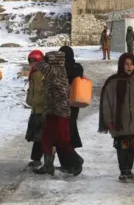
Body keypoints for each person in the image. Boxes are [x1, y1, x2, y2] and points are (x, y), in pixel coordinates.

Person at [98, 53, 134, 181]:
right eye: (126, 64)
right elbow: (106, 104)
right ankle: (123, 171)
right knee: (122, 147)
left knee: (133, 147)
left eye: (131, 64)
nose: (129, 67)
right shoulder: (113, 83)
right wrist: (109, 121)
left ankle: (128, 170)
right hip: (119, 122)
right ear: (121, 65)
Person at [32, 51, 80, 176]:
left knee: (62, 140)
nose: (45, 61)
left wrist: (38, 60)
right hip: (51, 111)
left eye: (48, 59)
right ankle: (48, 165)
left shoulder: (57, 71)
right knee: (46, 138)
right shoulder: (54, 72)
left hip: (60, 112)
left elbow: (43, 68)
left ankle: (77, 161)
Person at [58, 45, 84, 176]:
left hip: (62, 105)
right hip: (74, 104)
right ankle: (69, 164)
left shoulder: (62, 69)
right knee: (69, 132)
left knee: (61, 136)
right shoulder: (78, 68)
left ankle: (74, 161)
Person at [25, 50, 46, 167]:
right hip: (35, 108)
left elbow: (41, 91)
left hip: (42, 109)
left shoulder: (42, 74)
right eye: (30, 61)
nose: (31, 63)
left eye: (33, 61)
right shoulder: (33, 73)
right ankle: (36, 158)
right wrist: (30, 100)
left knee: (41, 135)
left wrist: (37, 101)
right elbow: (32, 89)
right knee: (38, 136)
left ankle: (39, 158)